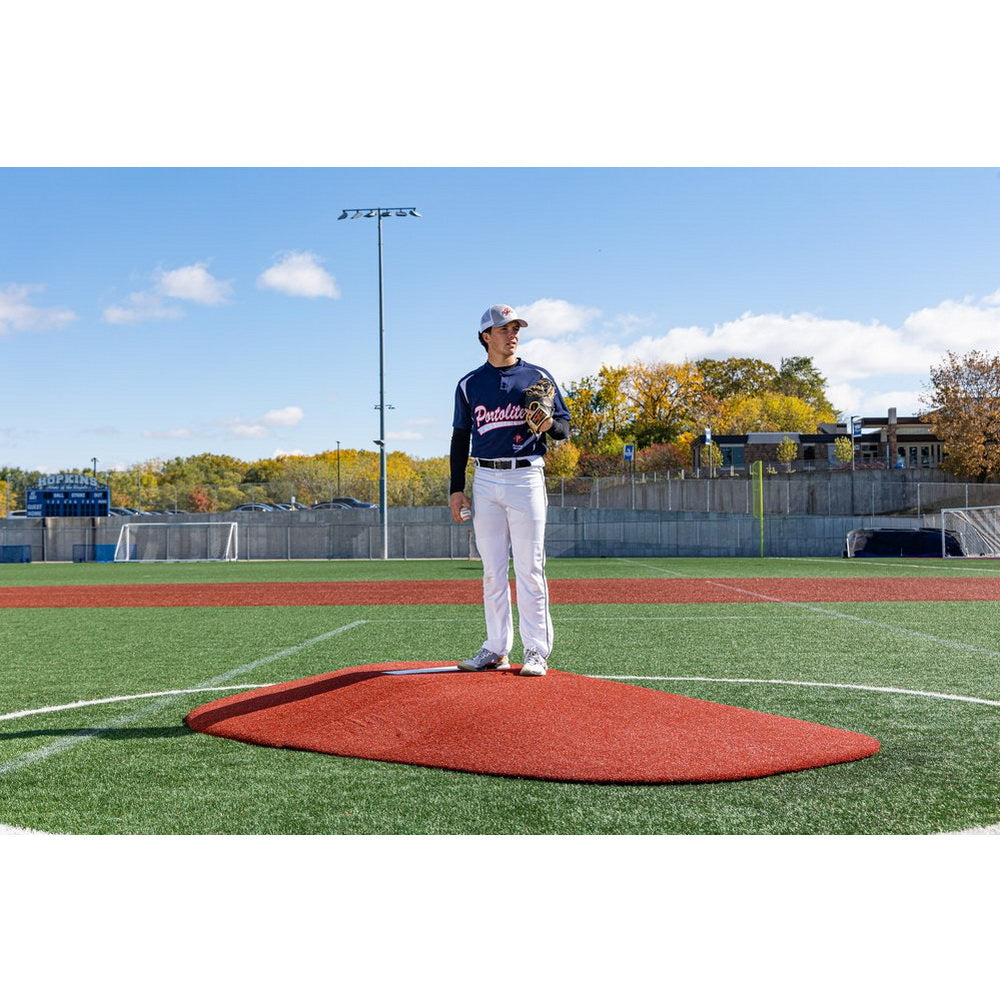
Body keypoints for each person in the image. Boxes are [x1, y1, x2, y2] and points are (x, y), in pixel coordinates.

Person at [449, 304, 571, 677]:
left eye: (516, 327)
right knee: (492, 570)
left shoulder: (537, 376)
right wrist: (456, 488)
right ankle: (496, 647)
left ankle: (536, 651)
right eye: (504, 328)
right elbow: (460, 437)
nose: (512, 333)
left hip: (525, 477)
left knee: (530, 567)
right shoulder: (470, 384)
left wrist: (549, 423)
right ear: (486, 336)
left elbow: (564, 429)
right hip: (484, 479)